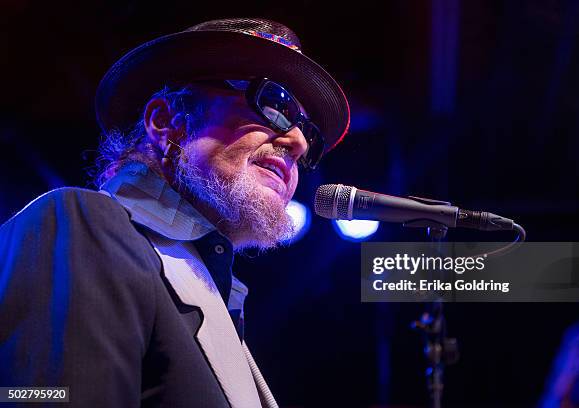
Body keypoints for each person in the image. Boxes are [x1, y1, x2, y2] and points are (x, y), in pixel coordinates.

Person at [0, 18, 350, 407]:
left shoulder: (212, 291)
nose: (299, 142)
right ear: (167, 122)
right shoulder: (83, 225)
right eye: (274, 104)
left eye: (309, 133)